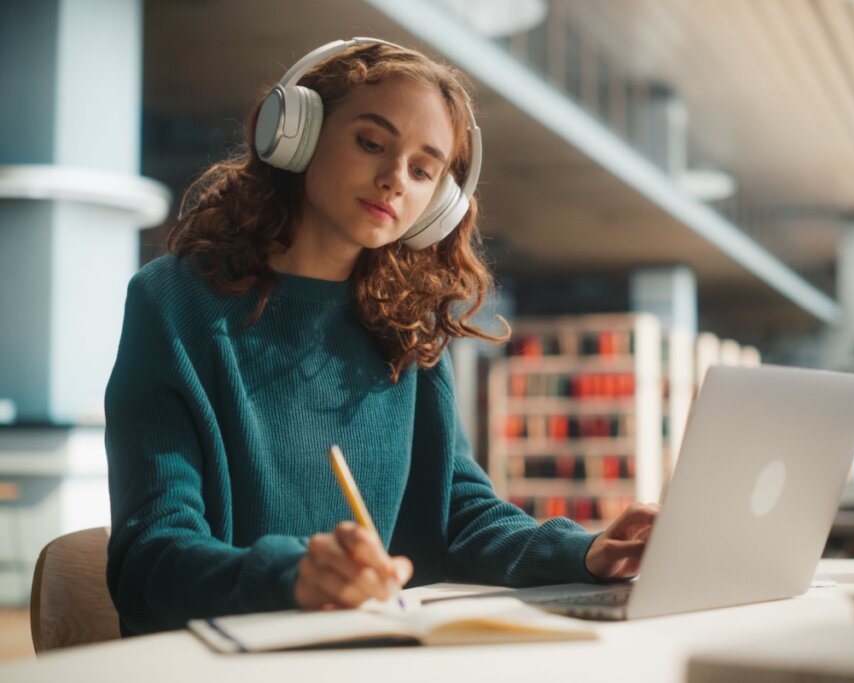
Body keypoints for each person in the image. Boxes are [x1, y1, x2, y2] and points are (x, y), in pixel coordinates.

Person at [105, 37, 657, 636]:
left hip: (372, 654)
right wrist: (292, 578)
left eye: (423, 169)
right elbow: (152, 555)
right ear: (299, 133)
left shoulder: (408, 328)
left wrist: (585, 552)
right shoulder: (175, 303)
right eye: (371, 143)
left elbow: (463, 517)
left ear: (437, 203)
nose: (395, 180)